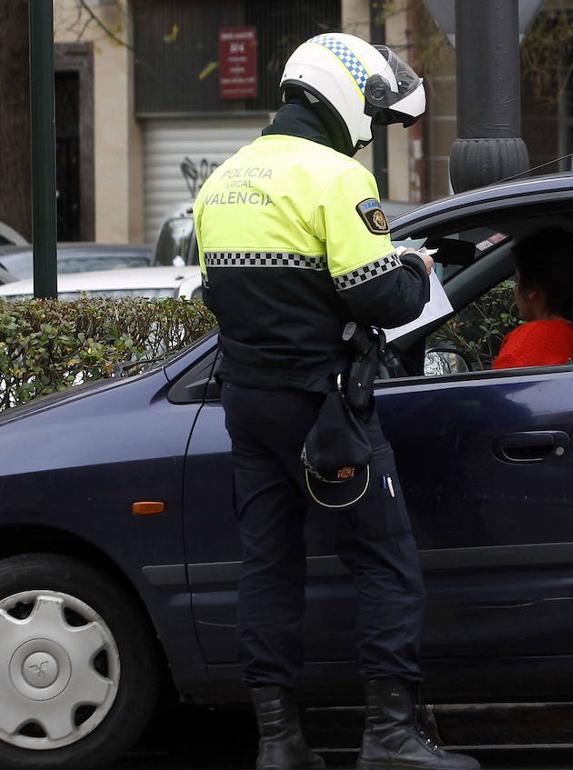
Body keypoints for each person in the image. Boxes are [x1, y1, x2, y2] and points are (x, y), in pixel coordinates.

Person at [193, 33, 479, 770]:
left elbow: (222, 295)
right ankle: (389, 738)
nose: (374, 132)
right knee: (384, 561)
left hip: (248, 406)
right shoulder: (333, 176)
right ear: (345, 93)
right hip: (324, 411)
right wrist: (413, 269)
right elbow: (378, 297)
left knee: (269, 568)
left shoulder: (221, 181)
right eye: (377, 118)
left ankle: (279, 744)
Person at [492, 228, 573, 370]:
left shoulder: (531, 341)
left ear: (532, 290)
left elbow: (500, 391)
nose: (515, 288)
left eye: (517, 279)